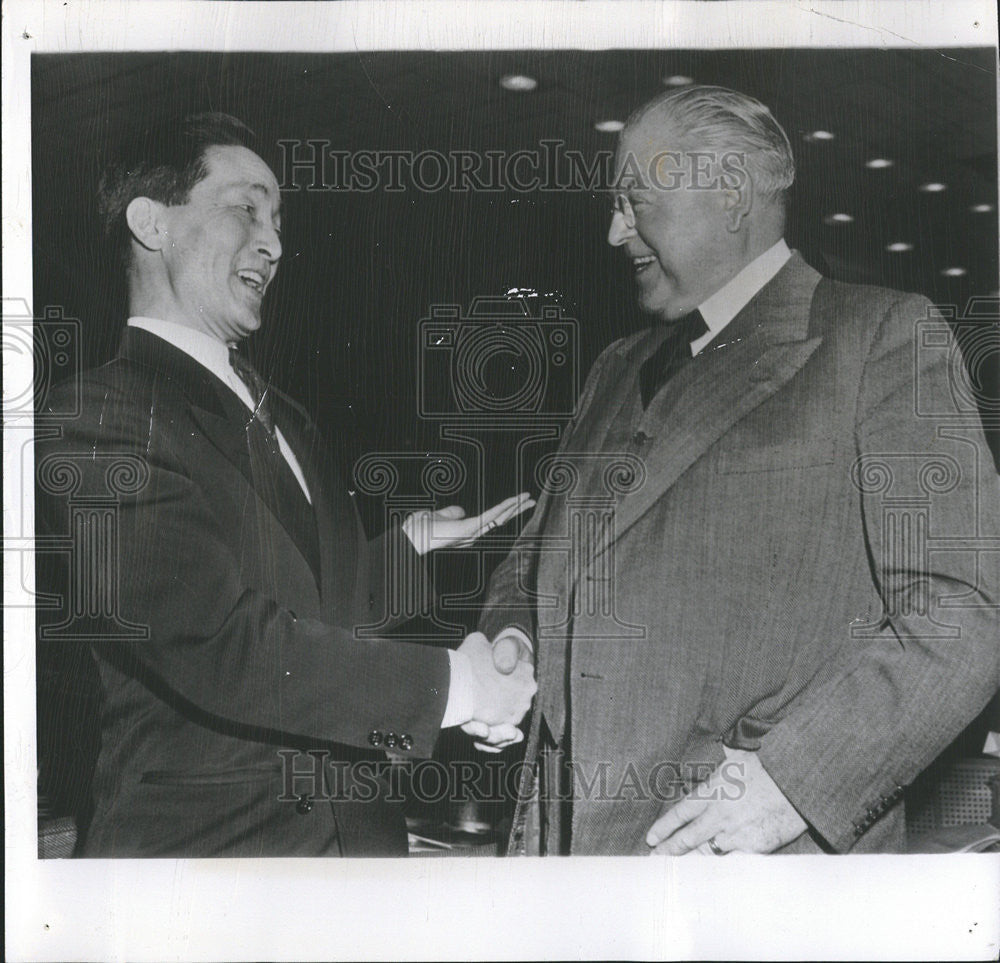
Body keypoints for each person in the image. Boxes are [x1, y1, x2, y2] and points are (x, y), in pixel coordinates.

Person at [478, 85, 999, 855]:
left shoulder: (881, 337)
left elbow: (962, 609)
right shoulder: (616, 368)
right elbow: (538, 562)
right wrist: (512, 644)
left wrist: (794, 782)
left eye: (636, 201)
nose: (614, 229)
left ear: (729, 194)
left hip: (745, 871)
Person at [34, 112, 536, 857]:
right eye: (245, 208)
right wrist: (456, 687)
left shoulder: (285, 415)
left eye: (277, 219)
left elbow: (312, 609)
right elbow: (217, 639)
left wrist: (404, 548)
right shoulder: (96, 414)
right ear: (151, 223)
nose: (273, 242)